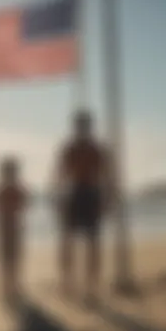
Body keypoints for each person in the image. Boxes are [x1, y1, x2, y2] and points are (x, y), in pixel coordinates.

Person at [52, 110, 114, 305]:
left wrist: (107, 199)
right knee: (67, 241)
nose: (82, 129)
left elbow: (107, 175)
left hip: (91, 193)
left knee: (93, 244)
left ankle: (91, 288)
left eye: (85, 125)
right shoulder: (70, 148)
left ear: (89, 127)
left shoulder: (97, 149)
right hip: (74, 193)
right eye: (80, 125)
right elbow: (59, 174)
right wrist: (58, 198)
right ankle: (67, 282)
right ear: (76, 127)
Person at [0, 156, 27, 301]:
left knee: (13, 256)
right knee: (8, 257)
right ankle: (8, 284)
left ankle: (11, 283)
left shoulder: (12, 190)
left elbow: (23, 205)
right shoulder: (3, 190)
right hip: (7, 226)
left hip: (12, 226)